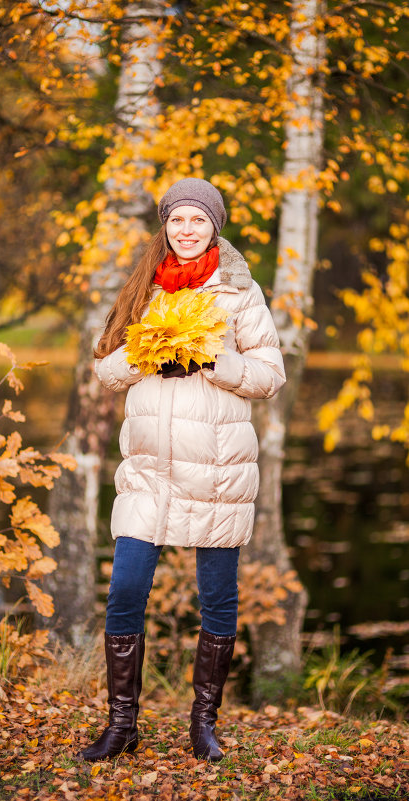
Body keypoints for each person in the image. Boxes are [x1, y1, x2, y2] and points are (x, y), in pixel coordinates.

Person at [81, 178, 286, 762]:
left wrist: (213, 361)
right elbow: (107, 370)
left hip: (217, 472)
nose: (187, 230)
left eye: (198, 220)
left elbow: (270, 375)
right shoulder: (145, 286)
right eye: (177, 220)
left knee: (217, 599)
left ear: (214, 226)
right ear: (166, 227)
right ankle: (122, 725)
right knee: (124, 592)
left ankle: (204, 724)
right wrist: (147, 351)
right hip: (148, 470)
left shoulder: (240, 292)